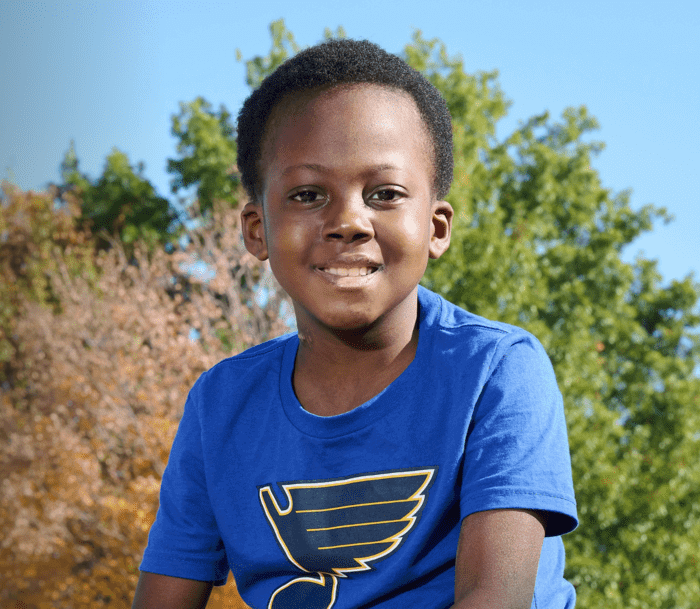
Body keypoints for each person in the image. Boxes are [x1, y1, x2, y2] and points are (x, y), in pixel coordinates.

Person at [132, 39, 578, 609]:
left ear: (437, 227)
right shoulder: (221, 403)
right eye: (308, 194)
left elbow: (497, 599)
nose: (349, 221)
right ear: (256, 229)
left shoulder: (496, 371)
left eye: (384, 194)